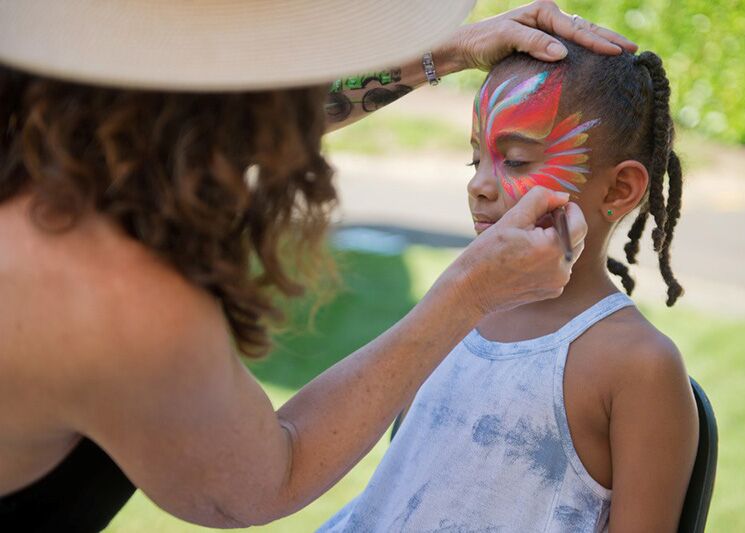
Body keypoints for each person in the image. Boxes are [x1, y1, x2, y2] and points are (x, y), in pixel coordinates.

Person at [0, 1, 637, 530]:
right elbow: (260, 480)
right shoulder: (109, 293)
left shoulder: (49, 133)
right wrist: (466, 293)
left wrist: (440, 53)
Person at [319, 40, 699, 532]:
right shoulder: (458, 310)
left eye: (516, 160)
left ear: (619, 189)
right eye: (474, 159)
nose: (478, 183)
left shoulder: (638, 365)